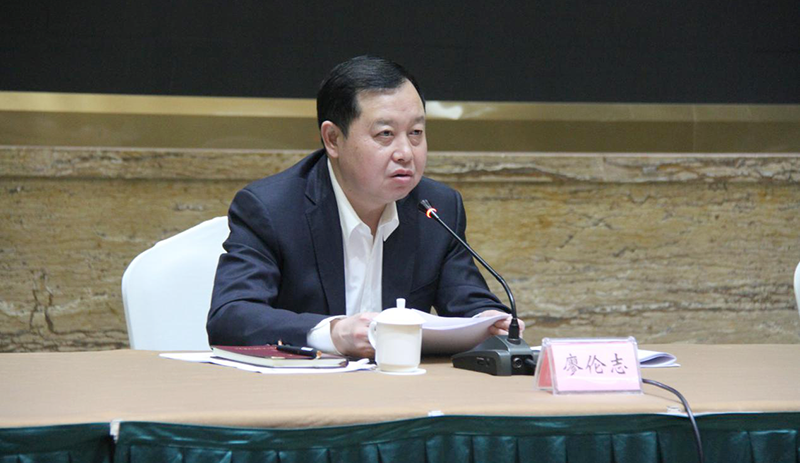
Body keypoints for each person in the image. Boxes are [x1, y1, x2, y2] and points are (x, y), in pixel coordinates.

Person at [207, 56, 523, 358]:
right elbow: (231, 317)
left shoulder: (436, 208)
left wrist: (489, 319)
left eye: (415, 133)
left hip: (403, 387)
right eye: (385, 134)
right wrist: (333, 333)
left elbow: (468, 301)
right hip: (303, 386)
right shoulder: (272, 209)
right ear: (333, 139)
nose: (405, 153)